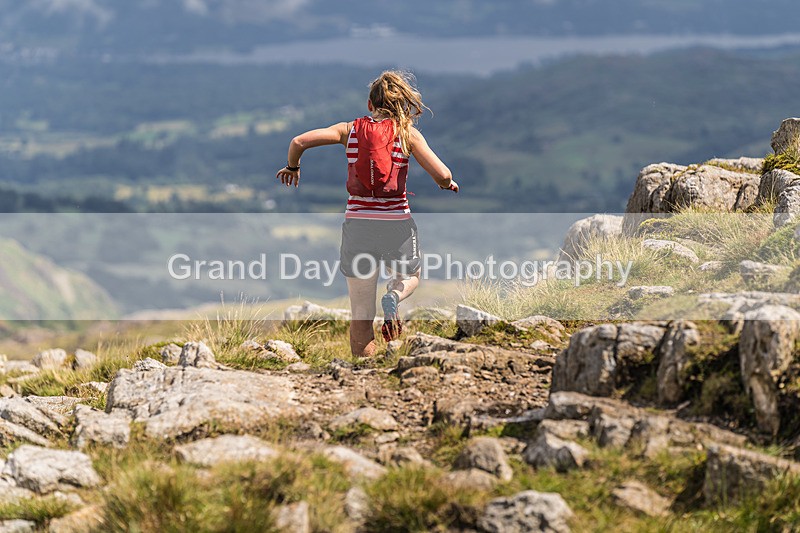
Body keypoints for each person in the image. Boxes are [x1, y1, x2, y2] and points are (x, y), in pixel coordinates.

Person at [276, 70, 457, 357]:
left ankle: (364, 372)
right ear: (403, 106)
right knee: (409, 276)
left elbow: (298, 141)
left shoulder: (349, 130)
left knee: (361, 312)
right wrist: (448, 184)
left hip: (358, 225)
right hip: (397, 224)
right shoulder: (407, 133)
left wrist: (293, 167)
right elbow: (442, 174)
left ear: (369, 105)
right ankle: (394, 296)